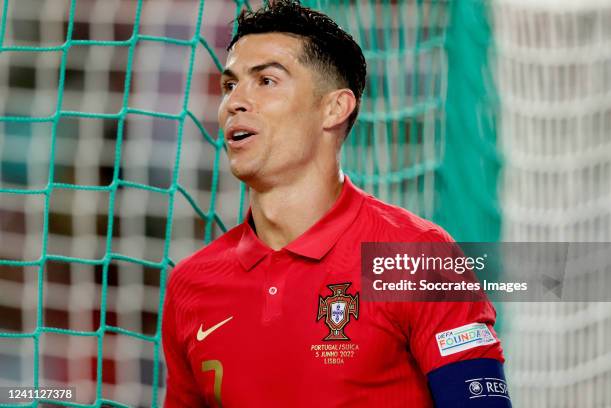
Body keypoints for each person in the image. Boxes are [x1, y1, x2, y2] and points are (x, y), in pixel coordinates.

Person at [162, 1, 511, 407]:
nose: (235, 102)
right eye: (230, 85)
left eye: (267, 81)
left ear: (334, 108)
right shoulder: (190, 285)